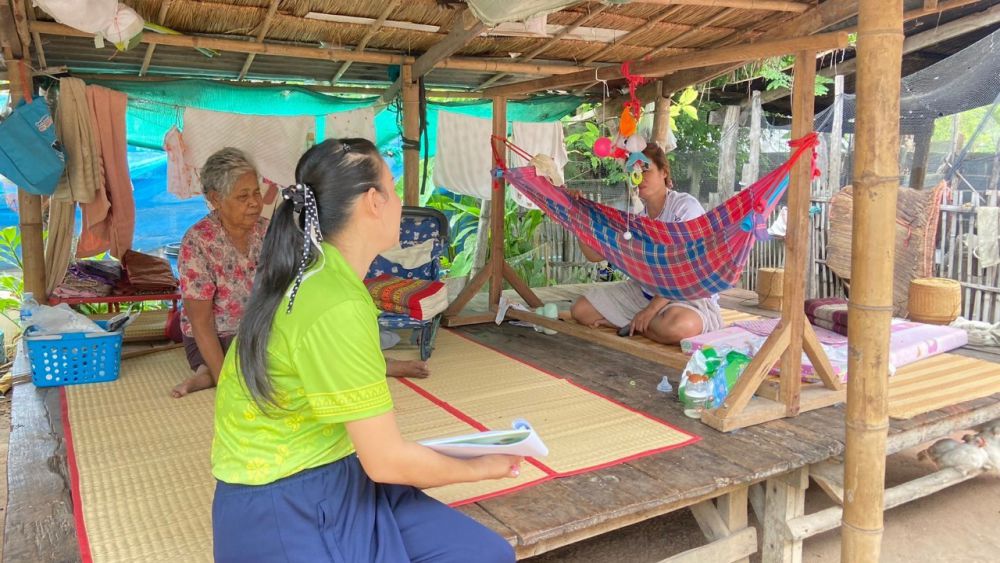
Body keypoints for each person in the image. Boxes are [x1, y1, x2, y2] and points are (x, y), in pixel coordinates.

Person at [211, 139, 519, 562]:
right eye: (393, 188)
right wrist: (480, 467)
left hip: (335, 472)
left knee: (484, 553)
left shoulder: (318, 275)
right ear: (374, 202)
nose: (400, 202)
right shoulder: (333, 299)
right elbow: (386, 462)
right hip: (284, 500)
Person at [173, 148, 426, 398]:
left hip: (265, 330)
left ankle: (374, 363)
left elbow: (299, 288)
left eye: (256, 193)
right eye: (242, 196)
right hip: (221, 337)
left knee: (310, 339)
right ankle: (214, 371)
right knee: (281, 367)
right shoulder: (197, 242)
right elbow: (200, 323)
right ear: (216, 199)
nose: (254, 203)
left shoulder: (267, 230)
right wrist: (226, 384)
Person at [570, 142, 723, 344]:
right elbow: (594, 255)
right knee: (581, 310)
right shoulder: (637, 221)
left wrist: (650, 310)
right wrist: (576, 216)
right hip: (644, 294)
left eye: (646, 169)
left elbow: (689, 267)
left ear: (664, 172)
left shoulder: (684, 207)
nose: (640, 176)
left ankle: (634, 324)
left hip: (687, 296)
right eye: (635, 171)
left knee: (680, 327)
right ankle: (644, 326)